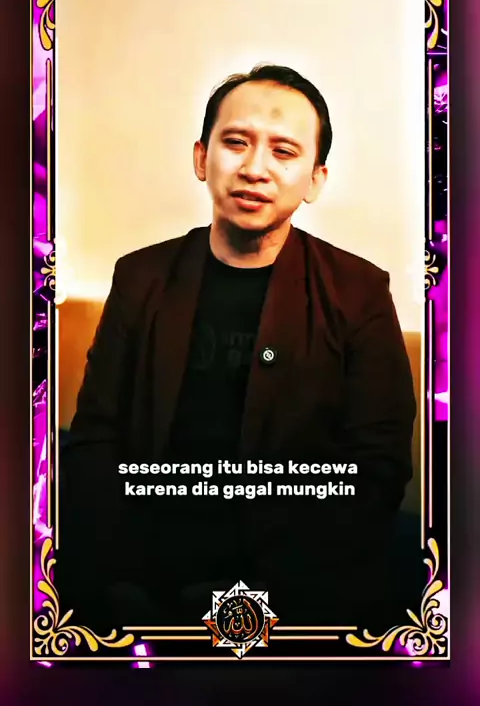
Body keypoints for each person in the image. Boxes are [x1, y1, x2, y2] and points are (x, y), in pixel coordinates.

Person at [57, 64, 416, 631]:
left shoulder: (358, 291)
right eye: (236, 143)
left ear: (315, 179)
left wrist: (264, 583)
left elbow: (376, 468)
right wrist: (126, 568)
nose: (255, 168)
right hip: (147, 564)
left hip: (298, 579)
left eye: (284, 151)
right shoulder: (141, 277)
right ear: (202, 158)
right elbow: (97, 437)